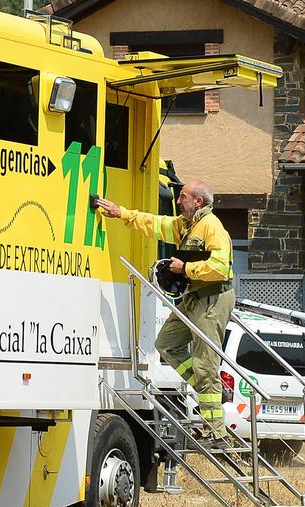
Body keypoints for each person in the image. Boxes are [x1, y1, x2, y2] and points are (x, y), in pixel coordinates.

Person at [95, 181, 235, 429]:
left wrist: (186, 268)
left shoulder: (212, 227)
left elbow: (221, 268)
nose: (179, 202)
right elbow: (154, 223)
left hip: (213, 298)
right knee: (166, 344)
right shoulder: (186, 226)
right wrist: (122, 213)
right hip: (194, 297)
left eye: (183, 197)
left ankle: (216, 432)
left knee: (206, 362)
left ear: (198, 202)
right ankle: (209, 387)